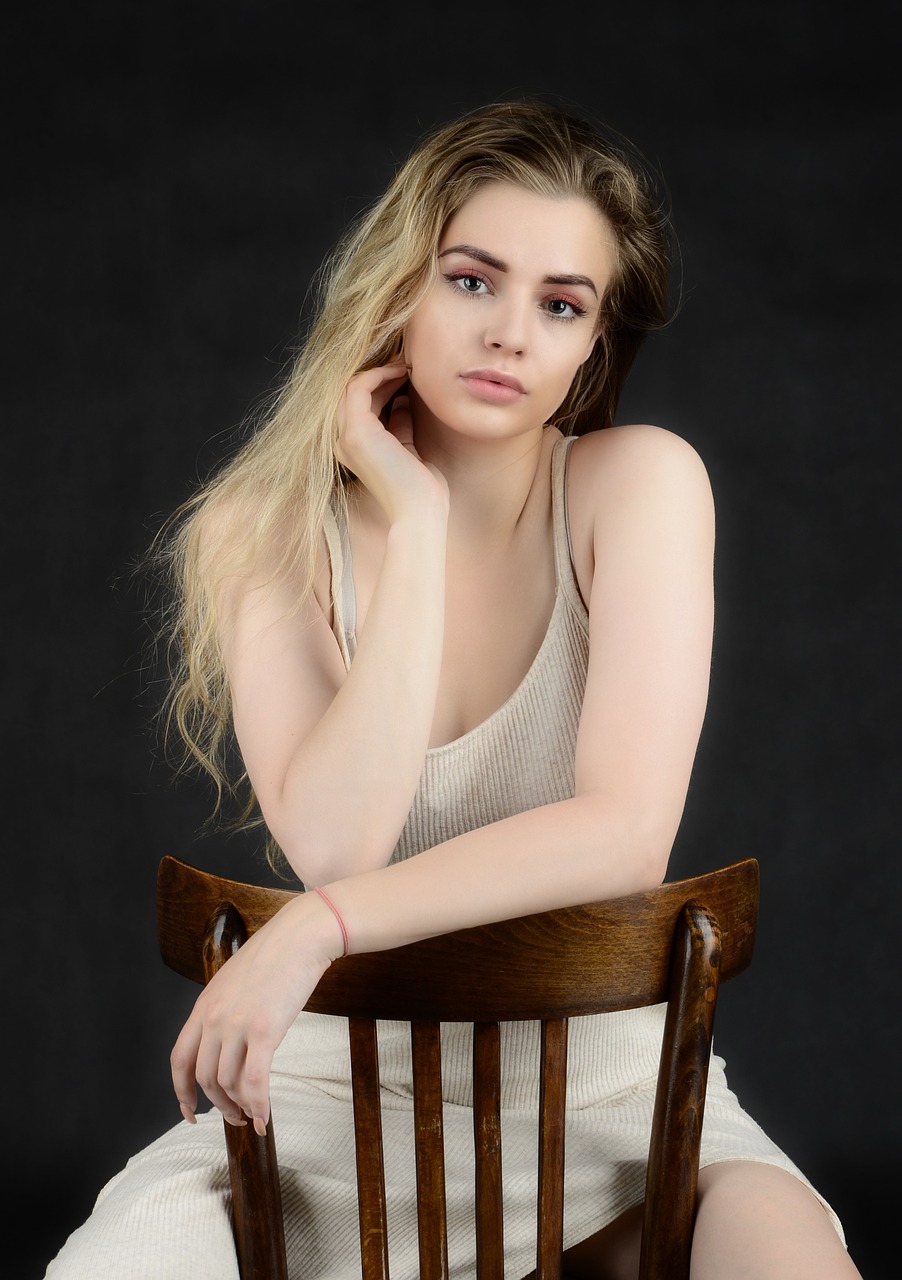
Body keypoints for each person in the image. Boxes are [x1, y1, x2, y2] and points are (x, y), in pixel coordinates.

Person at [45, 99, 861, 1279]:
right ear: (398, 287)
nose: (511, 335)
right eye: (472, 280)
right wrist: (416, 523)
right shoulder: (259, 531)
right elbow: (337, 838)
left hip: (613, 1099)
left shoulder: (639, 486)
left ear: (591, 346)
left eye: (560, 304)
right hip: (330, 1110)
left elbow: (624, 832)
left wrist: (311, 935)